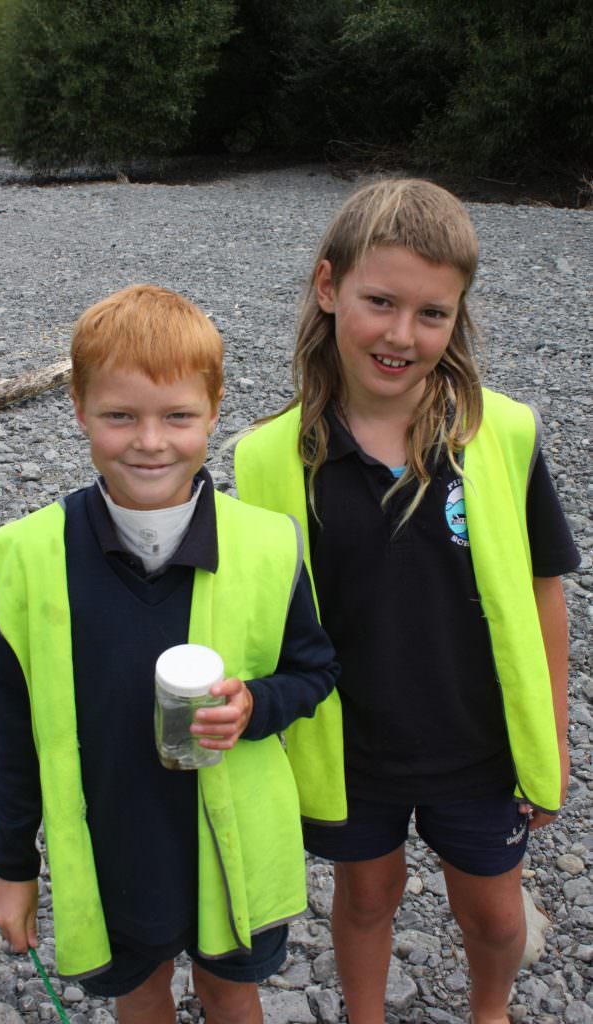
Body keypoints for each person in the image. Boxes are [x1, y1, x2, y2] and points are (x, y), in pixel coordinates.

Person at [234, 178, 579, 1024]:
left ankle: (489, 1012)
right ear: (328, 287)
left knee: (494, 915)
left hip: (479, 744)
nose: (401, 335)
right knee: (364, 900)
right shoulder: (270, 459)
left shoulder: (503, 435)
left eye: (432, 313)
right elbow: (257, 621)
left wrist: (552, 741)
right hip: (352, 747)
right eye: (380, 302)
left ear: (457, 317)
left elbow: (544, 594)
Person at [0, 283, 342, 1024]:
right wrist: (14, 866)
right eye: (120, 416)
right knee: (141, 994)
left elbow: (315, 670)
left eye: (177, 416)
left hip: (231, 843)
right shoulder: (33, 559)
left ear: (213, 411)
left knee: (228, 991)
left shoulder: (267, 546)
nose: (150, 441)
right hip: (115, 844)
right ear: (79, 410)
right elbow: (16, 730)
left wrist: (255, 705)